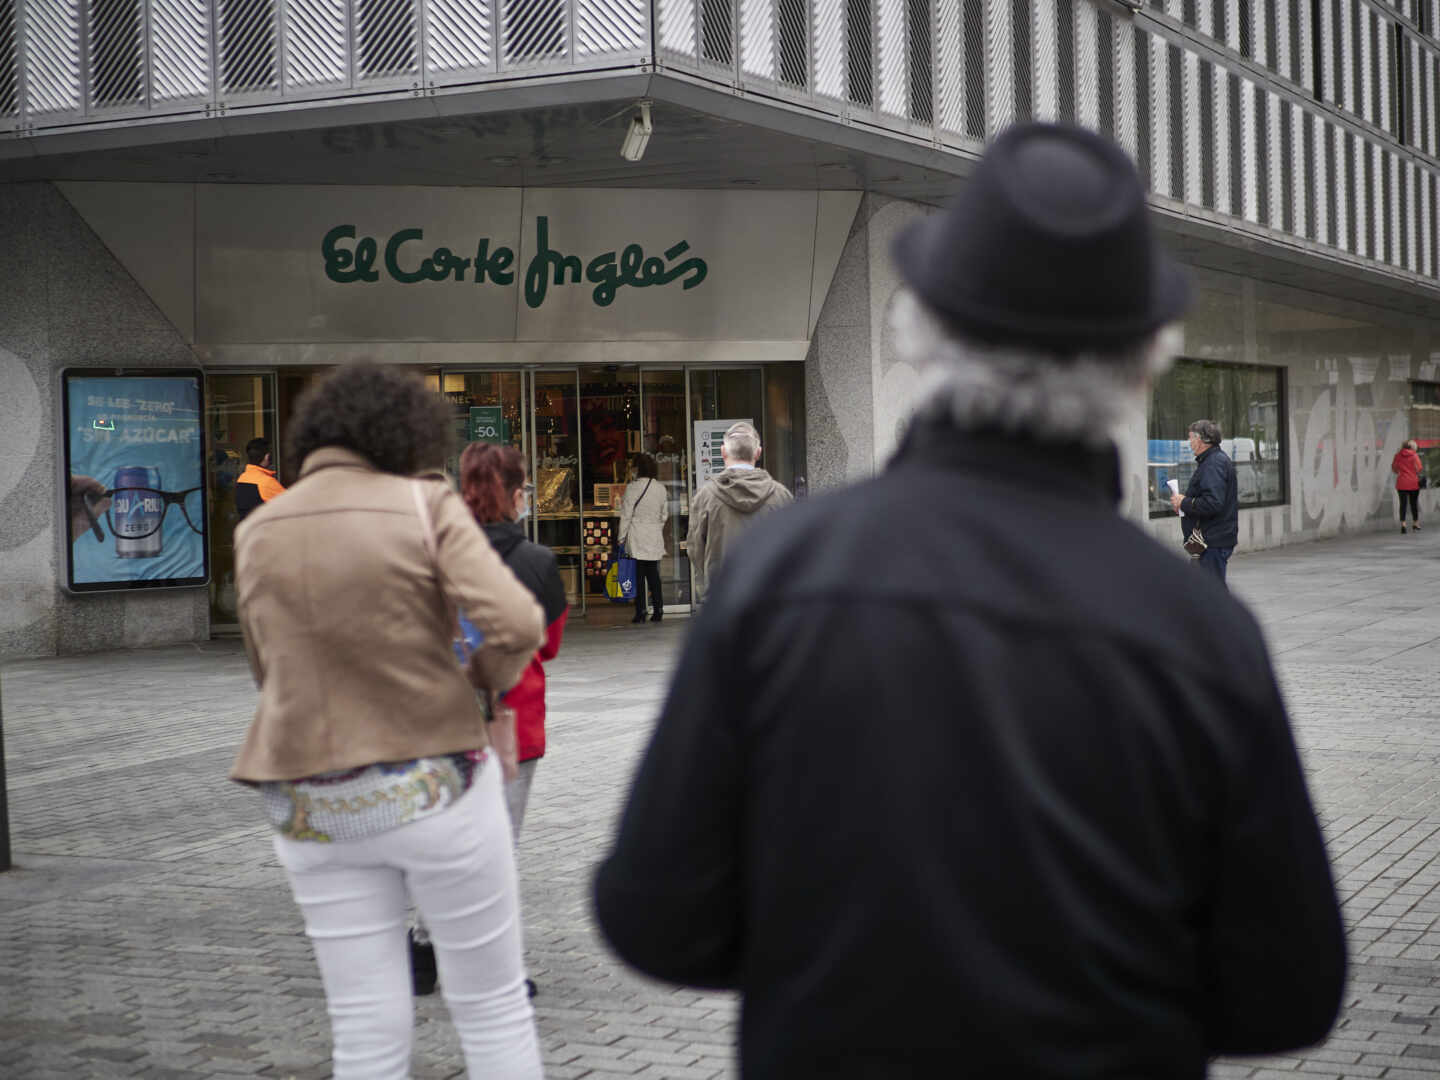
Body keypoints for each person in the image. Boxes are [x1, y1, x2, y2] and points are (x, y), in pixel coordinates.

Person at [593, 122, 1345, 1079]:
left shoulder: (782, 576)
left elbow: (656, 918)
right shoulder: (1199, 630)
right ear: (1144, 361)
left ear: (922, 334)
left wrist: (827, 959)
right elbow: (1290, 989)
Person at [229, 363, 546, 1079]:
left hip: (310, 794)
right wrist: (480, 684)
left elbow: (264, 669)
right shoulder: (423, 505)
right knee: (492, 1005)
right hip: (435, 773)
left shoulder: (261, 528)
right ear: (407, 434)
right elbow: (516, 622)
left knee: (365, 1026)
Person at [405, 442, 568, 998]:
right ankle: (492, 968)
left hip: (437, 722)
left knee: (442, 840)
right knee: (497, 851)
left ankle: (423, 951)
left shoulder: (432, 557)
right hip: (512, 727)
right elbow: (548, 649)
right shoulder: (538, 564)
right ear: (519, 494)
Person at [687, 421, 793, 604]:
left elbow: (695, 548)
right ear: (758, 452)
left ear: (723, 452)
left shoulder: (706, 496)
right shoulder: (780, 496)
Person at [1168, 419, 1239, 585]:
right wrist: (1183, 504)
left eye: (1191, 438)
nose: (1189, 442)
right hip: (1209, 541)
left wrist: (1184, 502)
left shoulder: (1213, 464)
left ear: (1201, 440)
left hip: (1211, 541)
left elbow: (1213, 502)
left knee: (1212, 594)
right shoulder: (1212, 461)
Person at [617, 452, 668, 623]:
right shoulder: (660, 488)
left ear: (637, 469)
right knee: (653, 574)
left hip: (637, 534)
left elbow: (626, 515)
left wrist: (621, 537)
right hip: (654, 535)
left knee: (637, 575)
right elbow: (664, 514)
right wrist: (656, 527)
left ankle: (640, 611)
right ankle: (659, 609)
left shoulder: (632, 488)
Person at [234, 437, 286, 522]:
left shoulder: (242, 478)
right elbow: (291, 504)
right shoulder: (266, 482)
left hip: (247, 530)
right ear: (267, 457)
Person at [1392, 438, 1424, 533]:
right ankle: (1415, 523)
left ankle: (1403, 525)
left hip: (1401, 483)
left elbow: (1394, 468)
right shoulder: (1414, 456)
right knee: (1413, 504)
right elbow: (1419, 468)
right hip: (1413, 483)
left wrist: (1400, 471)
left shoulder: (1397, 456)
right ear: (1412, 447)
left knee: (1403, 504)